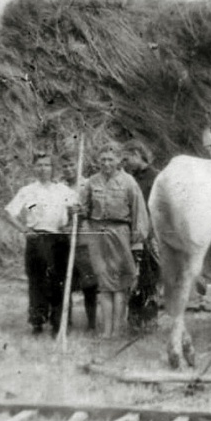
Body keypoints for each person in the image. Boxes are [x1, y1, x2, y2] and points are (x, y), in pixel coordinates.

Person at [4, 152, 79, 335]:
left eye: (47, 165)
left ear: (53, 169)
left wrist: (71, 221)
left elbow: (76, 212)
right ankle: (37, 321)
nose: (43, 169)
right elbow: (9, 213)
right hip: (37, 239)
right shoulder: (27, 191)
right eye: (39, 165)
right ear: (34, 168)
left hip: (59, 239)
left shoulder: (64, 191)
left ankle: (58, 323)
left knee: (59, 281)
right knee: (37, 281)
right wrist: (24, 230)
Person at [80, 141, 149, 337]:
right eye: (103, 160)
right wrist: (78, 211)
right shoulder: (92, 182)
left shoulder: (129, 182)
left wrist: (137, 238)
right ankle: (106, 331)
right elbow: (84, 209)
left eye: (110, 159)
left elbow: (139, 212)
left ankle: (117, 330)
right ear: (97, 161)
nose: (106, 163)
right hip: (97, 234)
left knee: (119, 283)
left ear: (119, 160)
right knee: (103, 282)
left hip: (120, 233)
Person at [122, 139, 161, 329]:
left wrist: (150, 232)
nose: (125, 164)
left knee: (149, 277)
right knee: (132, 276)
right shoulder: (131, 178)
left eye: (127, 159)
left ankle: (149, 319)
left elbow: (159, 209)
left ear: (137, 154)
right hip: (132, 233)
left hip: (150, 234)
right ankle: (134, 319)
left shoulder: (156, 178)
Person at [60, 155, 99, 331]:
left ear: (78, 165)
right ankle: (64, 322)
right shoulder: (58, 187)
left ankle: (91, 322)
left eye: (71, 164)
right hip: (63, 239)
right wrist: (66, 213)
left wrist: (84, 211)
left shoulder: (88, 185)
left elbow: (98, 209)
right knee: (64, 282)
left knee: (89, 283)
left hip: (83, 239)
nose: (68, 169)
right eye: (64, 166)